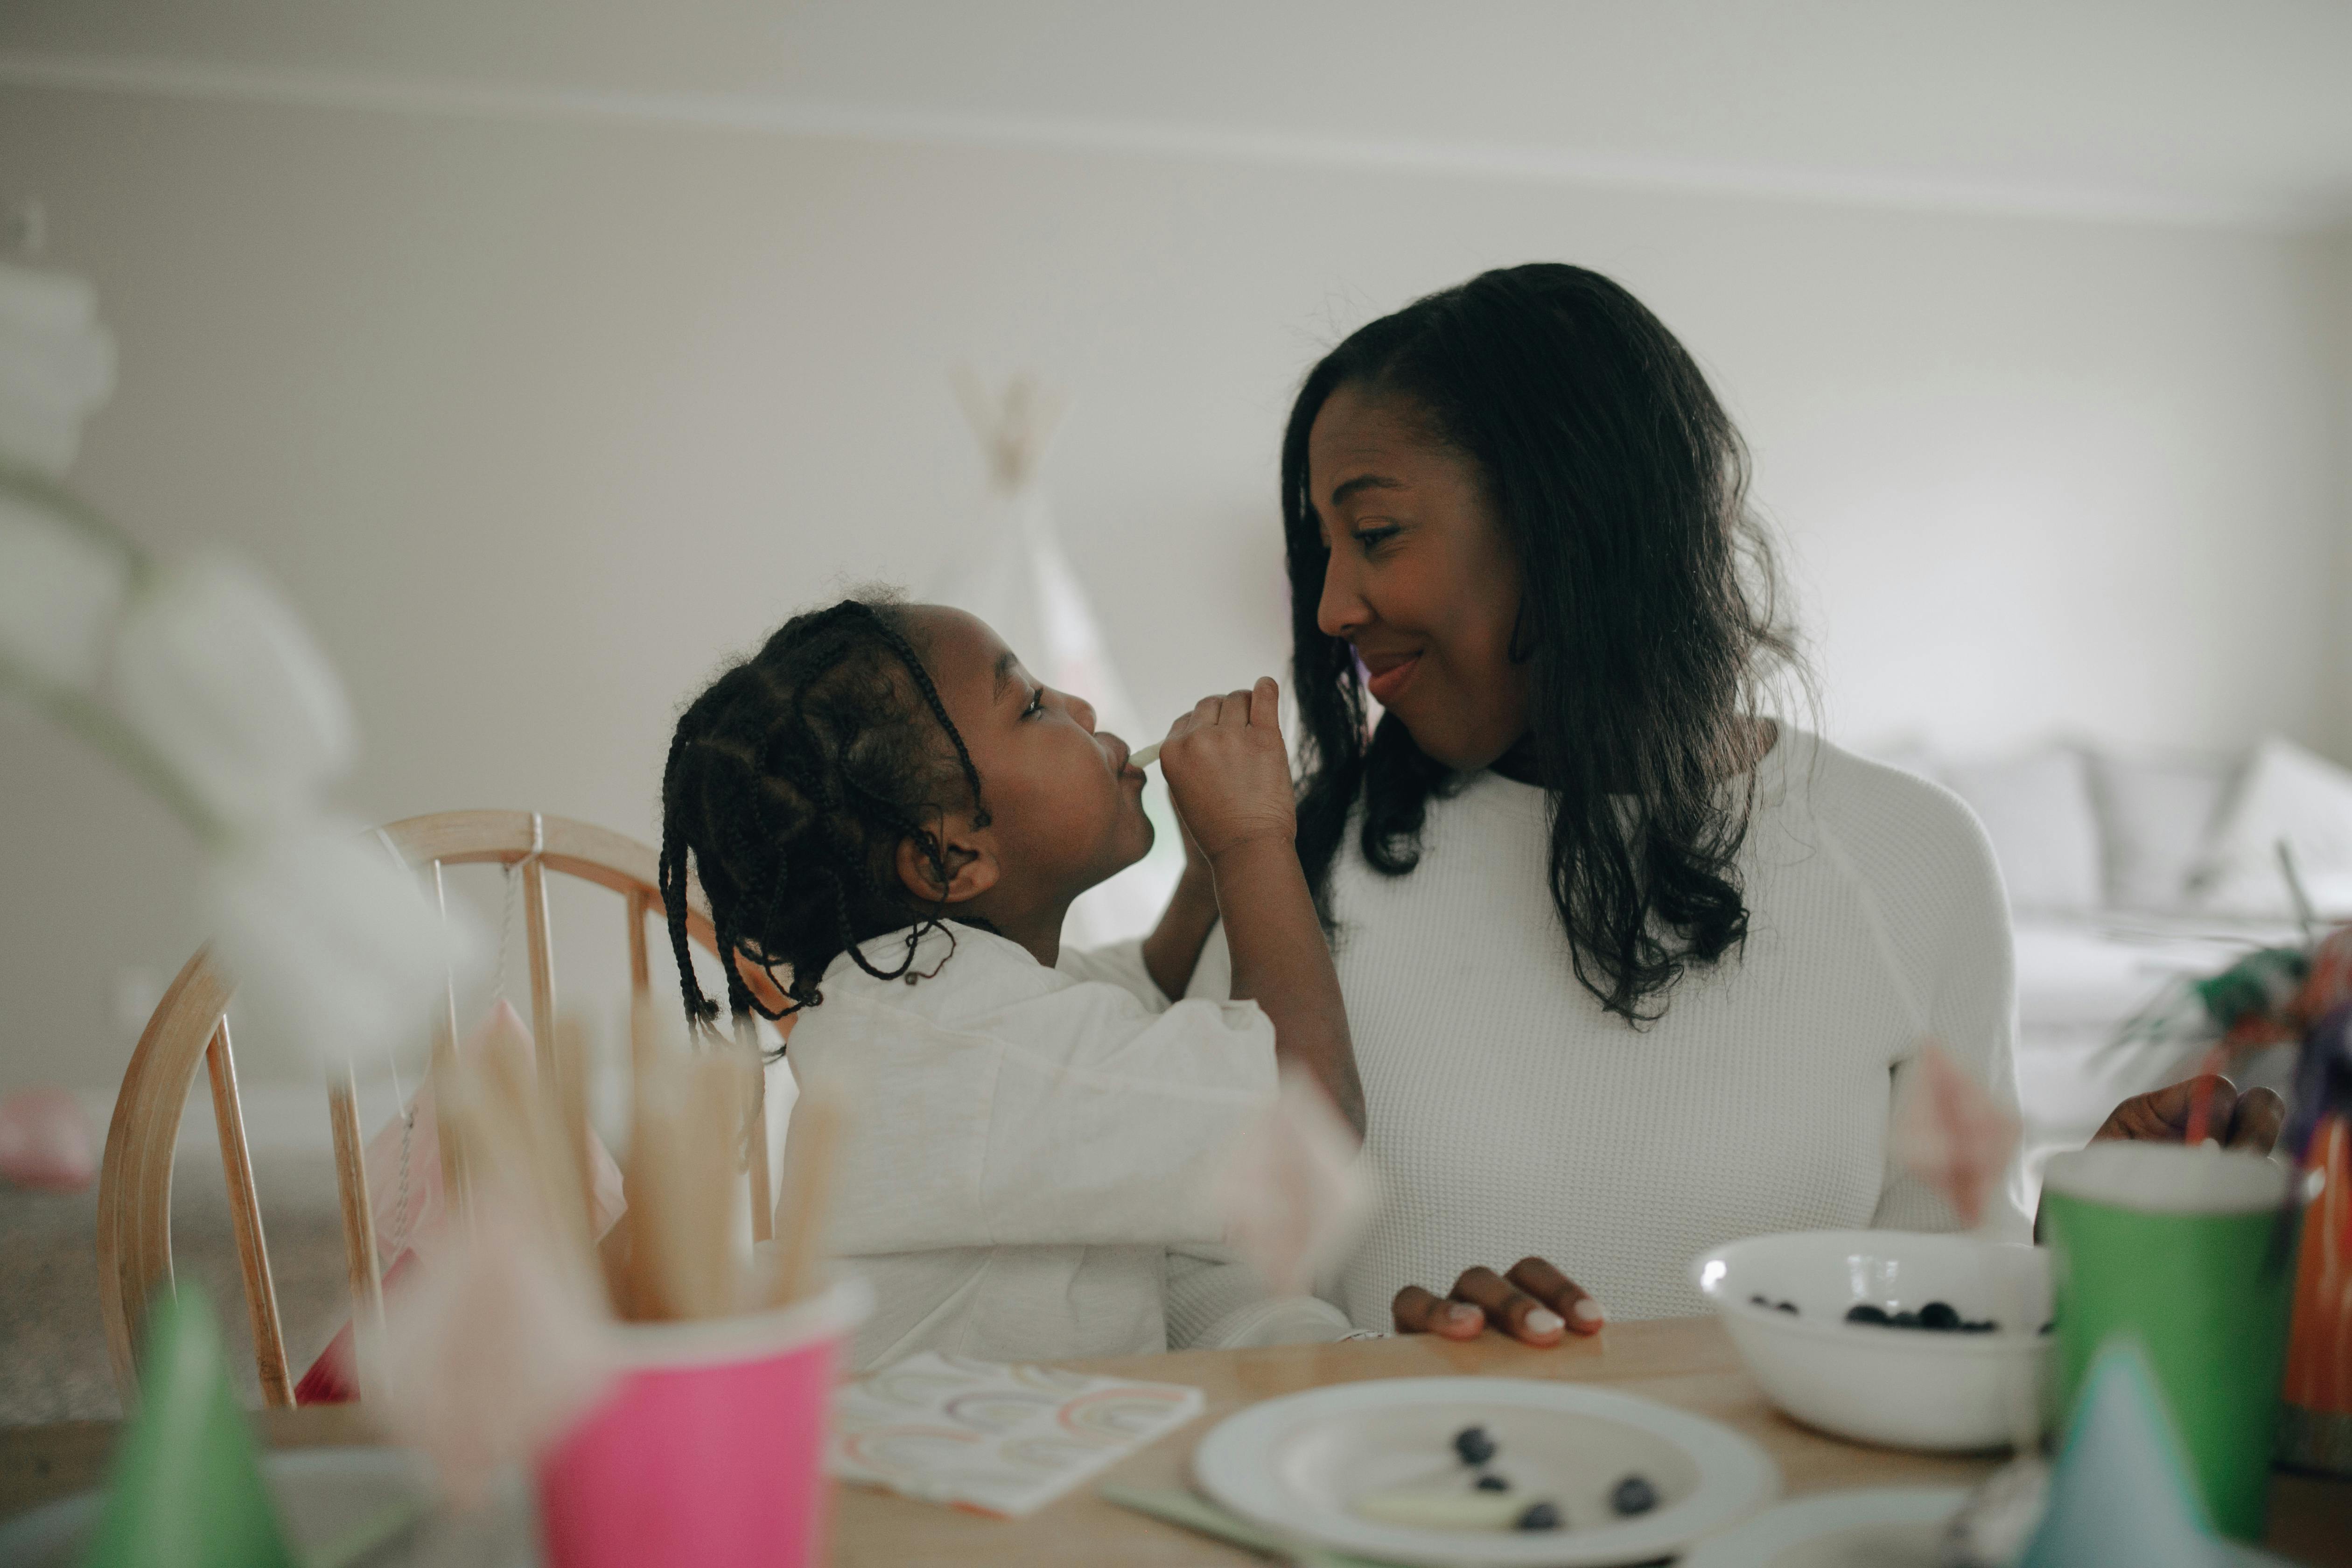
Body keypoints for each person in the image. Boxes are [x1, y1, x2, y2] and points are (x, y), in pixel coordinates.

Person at [1173, 261, 2280, 1348]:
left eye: (1375, 536)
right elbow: (1215, 1287)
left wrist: (2090, 1243)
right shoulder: (1291, 861)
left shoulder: (1916, 858)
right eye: (1323, 550)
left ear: (1570, 518)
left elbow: (1950, 1269)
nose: (1331, 607)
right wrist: (1386, 1387)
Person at [656, 595, 1359, 1368]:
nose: (1081, 707)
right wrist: (1253, 842)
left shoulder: (927, 1006)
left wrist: (1201, 883)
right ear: (950, 860)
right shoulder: (975, 1045)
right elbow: (1310, 1115)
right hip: (926, 1445)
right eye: (1031, 706)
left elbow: (1136, 993)